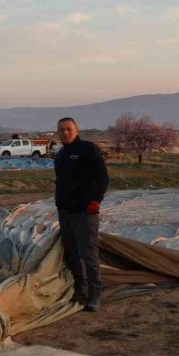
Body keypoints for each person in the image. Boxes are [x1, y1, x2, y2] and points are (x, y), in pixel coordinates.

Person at [54, 117, 109, 312]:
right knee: (71, 253)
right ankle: (81, 288)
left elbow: (102, 176)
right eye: (61, 130)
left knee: (88, 252)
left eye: (69, 129)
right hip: (65, 211)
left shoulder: (88, 149)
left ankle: (95, 293)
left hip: (85, 211)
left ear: (77, 130)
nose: (65, 133)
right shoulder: (60, 155)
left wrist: (96, 200)